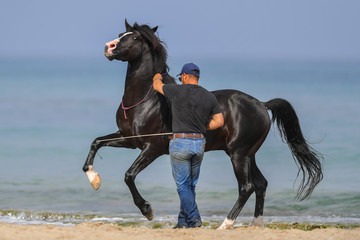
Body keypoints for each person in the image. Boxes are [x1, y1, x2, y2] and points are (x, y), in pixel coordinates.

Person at [153, 63, 224, 228]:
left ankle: (194, 220)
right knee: (190, 186)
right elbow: (219, 121)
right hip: (199, 143)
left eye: (180, 77)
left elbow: (157, 86)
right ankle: (182, 222)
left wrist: (157, 75)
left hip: (181, 144)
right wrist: (199, 127)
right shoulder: (209, 96)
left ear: (184, 76)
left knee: (183, 186)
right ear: (197, 77)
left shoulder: (177, 90)